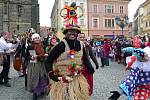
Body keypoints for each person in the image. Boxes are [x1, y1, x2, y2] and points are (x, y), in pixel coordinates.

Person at [45, 2, 93, 100]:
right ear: (65, 33)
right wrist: (52, 75)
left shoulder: (81, 44)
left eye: (75, 31)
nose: (73, 33)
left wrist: (90, 67)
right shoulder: (60, 45)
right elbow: (48, 61)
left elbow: (85, 58)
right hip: (63, 80)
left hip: (78, 79)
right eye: (70, 31)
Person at [26, 33, 49, 100]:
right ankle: (35, 93)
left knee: (42, 77)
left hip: (42, 64)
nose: (37, 39)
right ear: (33, 39)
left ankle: (42, 90)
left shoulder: (42, 45)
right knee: (34, 78)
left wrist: (45, 55)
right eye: (35, 38)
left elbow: (44, 53)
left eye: (38, 38)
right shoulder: (30, 46)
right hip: (34, 64)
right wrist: (31, 57)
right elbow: (26, 55)